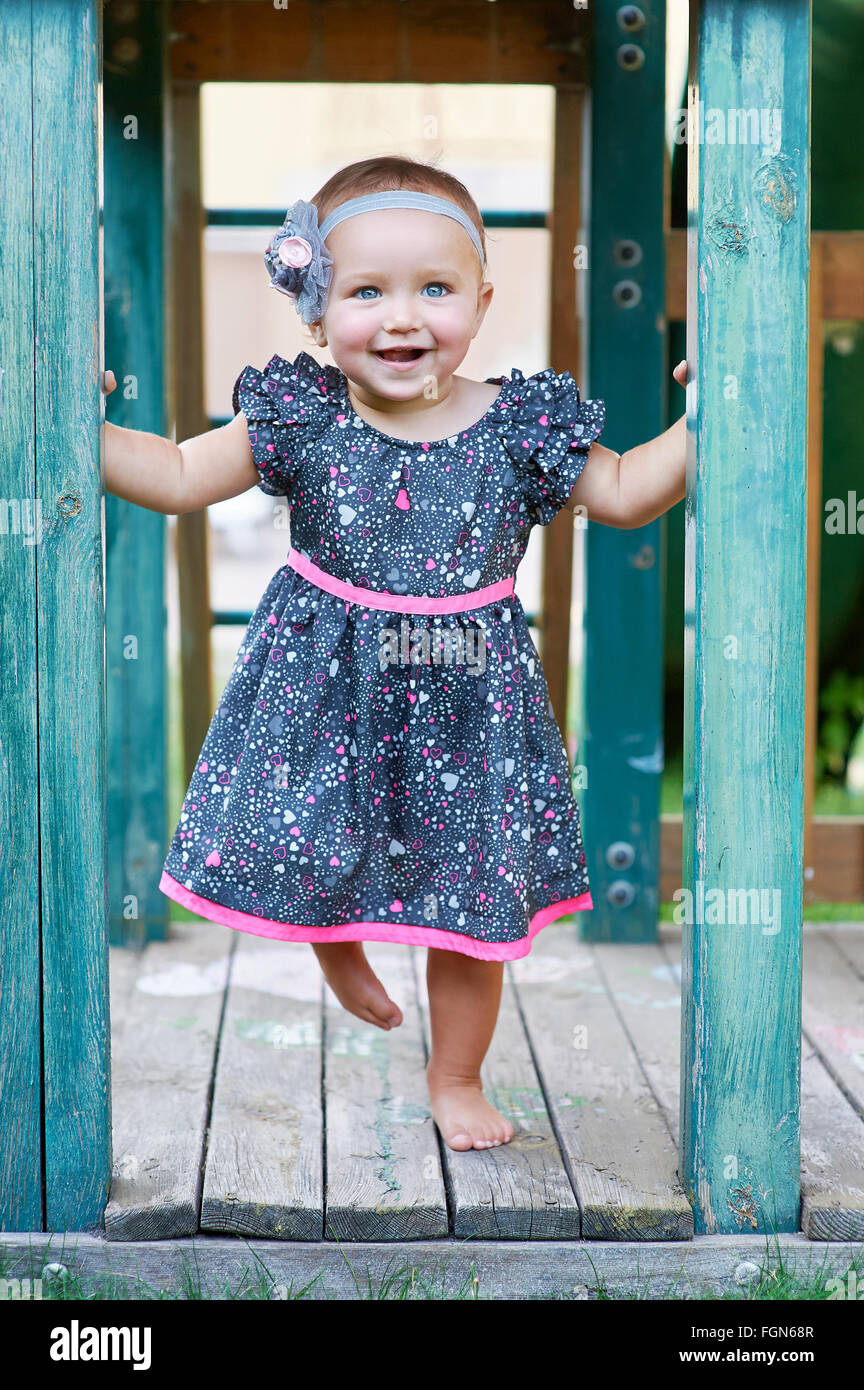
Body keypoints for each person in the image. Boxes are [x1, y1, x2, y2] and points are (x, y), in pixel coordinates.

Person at [103, 155, 687, 1152]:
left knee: (473, 906)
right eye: (368, 291)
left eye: (436, 289)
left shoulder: (520, 425)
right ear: (318, 308)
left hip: (472, 706)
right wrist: (76, 428)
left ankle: (453, 1074)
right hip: (322, 684)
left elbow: (629, 489)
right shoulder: (304, 414)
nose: (405, 317)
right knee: (305, 830)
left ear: (482, 299)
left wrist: (711, 418)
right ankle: (336, 931)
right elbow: (177, 475)